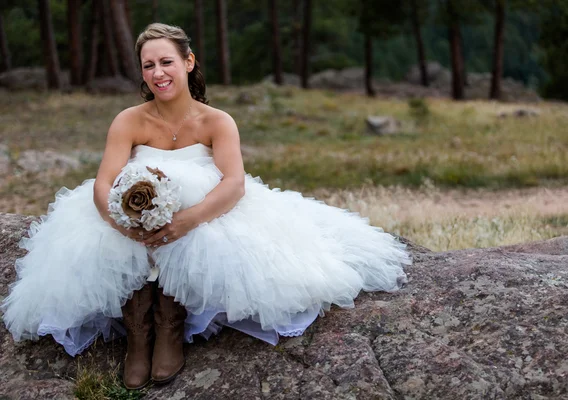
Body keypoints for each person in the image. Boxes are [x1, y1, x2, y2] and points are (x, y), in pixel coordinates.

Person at [1, 23, 411, 390]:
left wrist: (186, 221)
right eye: (148, 66)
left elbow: (233, 184)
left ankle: (169, 328)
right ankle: (138, 338)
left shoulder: (218, 121)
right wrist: (119, 222)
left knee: (195, 210)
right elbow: (105, 182)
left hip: (201, 215)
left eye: (166, 62)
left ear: (188, 61)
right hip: (131, 218)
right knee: (107, 242)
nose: (157, 73)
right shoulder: (129, 120)